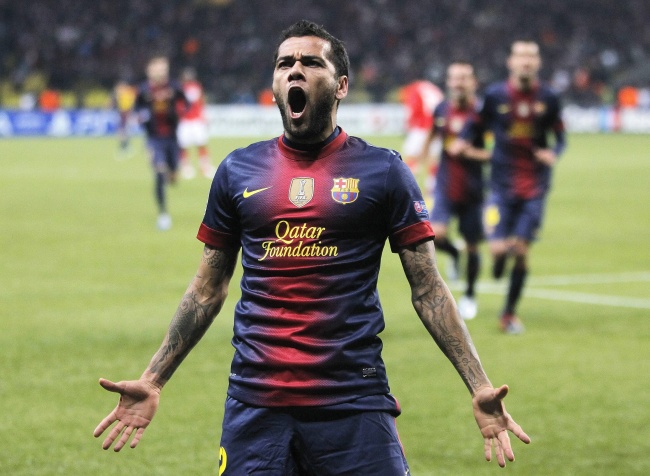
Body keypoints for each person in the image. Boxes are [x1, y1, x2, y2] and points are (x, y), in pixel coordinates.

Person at [94, 21, 530, 474]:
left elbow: (428, 289)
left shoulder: (383, 171)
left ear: (341, 86)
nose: (295, 70)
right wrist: (153, 379)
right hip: (256, 402)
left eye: (311, 63)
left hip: (354, 400)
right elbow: (207, 288)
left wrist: (478, 384)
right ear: (274, 85)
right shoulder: (238, 170)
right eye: (285, 63)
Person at [451, 40, 566, 334]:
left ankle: (508, 314)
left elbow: (560, 135)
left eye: (531, 57)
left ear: (538, 63)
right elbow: (476, 123)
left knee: (521, 250)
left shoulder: (549, 97)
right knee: (498, 248)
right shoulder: (495, 95)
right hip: (500, 187)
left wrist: (553, 152)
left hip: (535, 188)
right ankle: (500, 259)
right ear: (511, 62)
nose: (526, 62)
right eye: (521, 57)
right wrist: (463, 140)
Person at [420, 61, 490, 320]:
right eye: (454, 78)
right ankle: (453, 252)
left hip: (473, 190)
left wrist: (470, 153)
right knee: (433, 235)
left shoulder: (483, 114)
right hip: (446, 185)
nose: (459, 83)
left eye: (464, 78)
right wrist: (424, 165)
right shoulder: (442, 109)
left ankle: (470, 295)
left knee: (473, 246)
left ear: (473, 82)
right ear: (448, 82)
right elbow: (432, 136)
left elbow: (495, 153)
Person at [133, 56, 188, 231]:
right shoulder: (144, 90)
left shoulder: (174, 87)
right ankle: (163, 214)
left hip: (172, 138)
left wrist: (179, 112)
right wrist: (143, 118)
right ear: (150, 71)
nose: (161, 73)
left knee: (172, 177)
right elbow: (137, 109)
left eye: (163, 69)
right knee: (159, 172)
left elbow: (186, 104)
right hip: (154, 139)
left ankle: (172, 172)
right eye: (157, 69)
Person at [400, 76, 444, 176]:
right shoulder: (432, 87)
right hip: (436, 127)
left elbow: (413, 109)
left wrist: (408, 124)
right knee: (433, 159)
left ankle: (409, 181)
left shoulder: (413, 89)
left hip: (422, 127)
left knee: (411, 156)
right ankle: (433, 183)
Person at [177, 67, 216, 180]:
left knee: (201, 143)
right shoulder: (180, 88)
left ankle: (205, 167)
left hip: (196, 120)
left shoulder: (196, 86)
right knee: (183, 145)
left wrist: (204, 116)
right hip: (184, 120)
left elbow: (200, 103)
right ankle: (186, 167)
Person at [112, 80, 137, 158]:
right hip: (122, 114)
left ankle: (125, 148)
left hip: (126, 114)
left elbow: (131, 104)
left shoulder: (128, 93)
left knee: (123, 131)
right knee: (123, 131)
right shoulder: (123, 94)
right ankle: (125, 147)